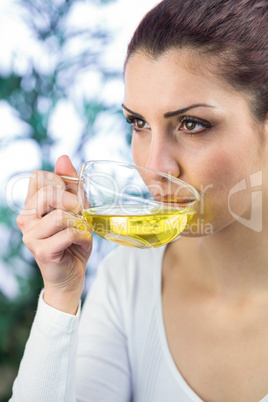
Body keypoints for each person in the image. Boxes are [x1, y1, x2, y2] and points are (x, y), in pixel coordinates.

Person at [10, 0, 268, 400]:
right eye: (139, 123)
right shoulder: (128, 281)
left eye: (192, 124)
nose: (152, 166)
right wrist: (61, 297)